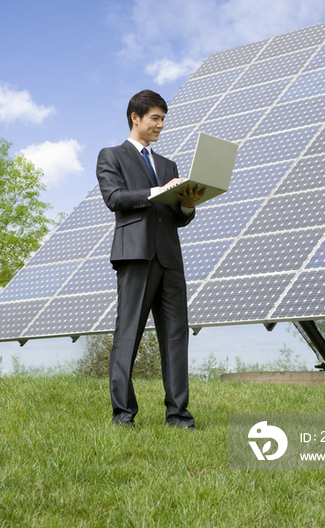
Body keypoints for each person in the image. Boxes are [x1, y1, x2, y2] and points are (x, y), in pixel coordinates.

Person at [96, 89, 205, 428]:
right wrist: (157, 192)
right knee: (129, 334)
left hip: (170, 259)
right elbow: (114, 198)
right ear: (136, 118)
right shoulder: (111, 156)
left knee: (175, 336)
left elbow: (178, 217)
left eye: (162, 120)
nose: (160, 125)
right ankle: (123, 415)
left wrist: (187, 203)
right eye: (155, 118)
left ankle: (179, 415)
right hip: (135, 255)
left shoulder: (169, 165)